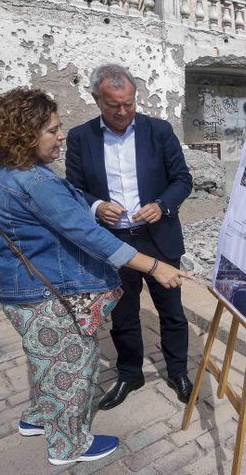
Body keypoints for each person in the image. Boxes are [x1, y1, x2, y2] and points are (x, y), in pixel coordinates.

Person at [0, 88, 193, 465]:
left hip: (26, 288)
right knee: (73, 367)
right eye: (51, 130)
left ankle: (40, 418)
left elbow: (180, 179)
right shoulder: (36, 181)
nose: (60, 136)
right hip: (49, 293)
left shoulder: (7, 175)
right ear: (24, 135)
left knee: (46, 360)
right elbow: (87, 234)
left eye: (59, 129)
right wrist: (155, 267)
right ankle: (68, 444)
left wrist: (160, 208)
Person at [65, 64, 195, 410]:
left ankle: (178, 371)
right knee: (122, 315)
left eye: (129, 103)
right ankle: (129, 373)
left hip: (158, 238)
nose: (123, 112)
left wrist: (161, 205)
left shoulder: (159, 131)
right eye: (113, 105)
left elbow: (182, 179)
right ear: (96, 99)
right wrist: (95, 207)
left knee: (172, 311)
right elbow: (74, 189)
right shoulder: (81, 138)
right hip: (113, 243)